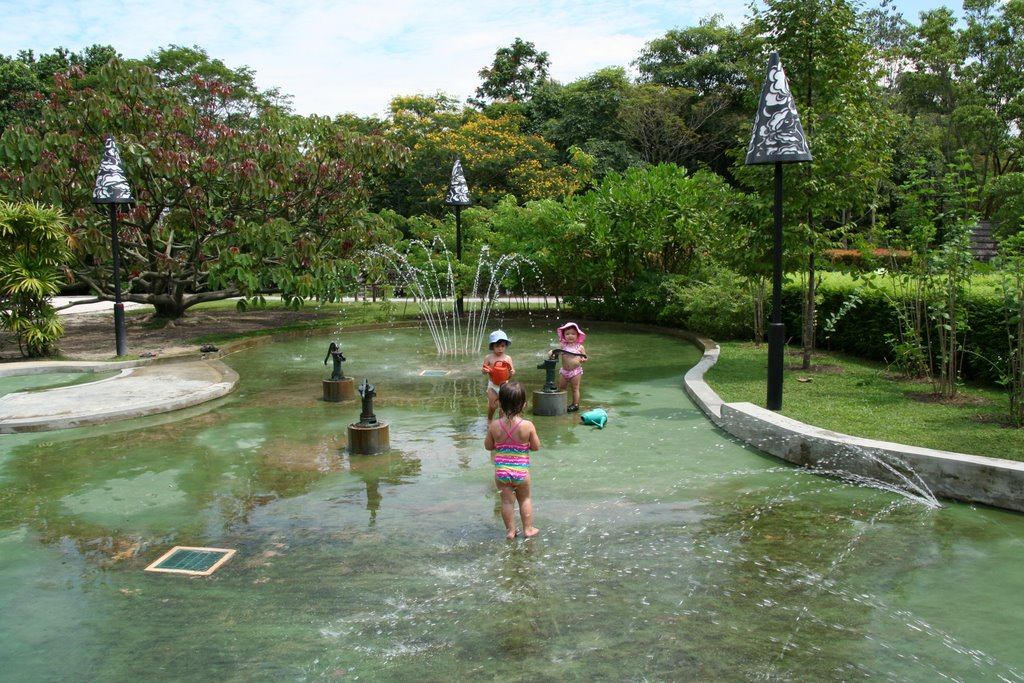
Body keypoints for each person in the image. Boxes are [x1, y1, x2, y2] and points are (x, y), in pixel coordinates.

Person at [484, 381, 541, 539]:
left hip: (501, 472)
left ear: (499, 403)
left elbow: (488, 446)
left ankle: (510, 531)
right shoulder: (527, 426)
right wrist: (523, 445)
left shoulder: (494, 426)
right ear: (524, 405)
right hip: (521, 471)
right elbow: (536, 447)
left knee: (507, 502)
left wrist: (500, 444)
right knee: (525, 499)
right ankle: (528, 529)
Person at [551, 321, 588, 412]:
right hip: (564, 371)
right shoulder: (563, 346)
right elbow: (556, 353)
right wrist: (552, 354)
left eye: (573, 334)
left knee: (575, 388)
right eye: (567, 334)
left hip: (575, 372)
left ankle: (575, 404)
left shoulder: (579, 347)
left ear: (577, 335)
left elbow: (585, 357)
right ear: (563, 336)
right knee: (562, 387)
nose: (570, 336)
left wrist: (583, 359)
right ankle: (562, 403)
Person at [482, 329, 515, 423]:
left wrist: (512, 372)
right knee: (493, 405)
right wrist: (485, 370)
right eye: (497, 346)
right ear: (492, 346)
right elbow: (483, 370)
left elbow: (512, 370)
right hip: (492, 385)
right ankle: (489, 419)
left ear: (505, 346)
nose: (500, 349)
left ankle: (501, 423)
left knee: (503, 407)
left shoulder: (507, 358)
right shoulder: (489, 358)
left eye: (502, 346)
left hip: (504, 385)